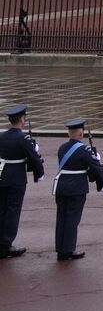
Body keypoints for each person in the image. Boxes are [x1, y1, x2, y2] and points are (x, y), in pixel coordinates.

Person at [48, 116, 103, 262]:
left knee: (62, 218)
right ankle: (68, 250)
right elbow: (96, 168)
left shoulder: (62, 148)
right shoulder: (84, 150)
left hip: (61, 187)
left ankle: (61, 248)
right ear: (81, 134)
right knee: (72, 219)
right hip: (76, 188)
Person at [1, 102, 43, 258]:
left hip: (2, 176)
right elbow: (34, 159)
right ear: (21, 120)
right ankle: (6, 244)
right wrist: (39, 174)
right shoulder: (23, 138)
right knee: (13, 210)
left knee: (2, 209)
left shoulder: (1, 136)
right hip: (16, 178)